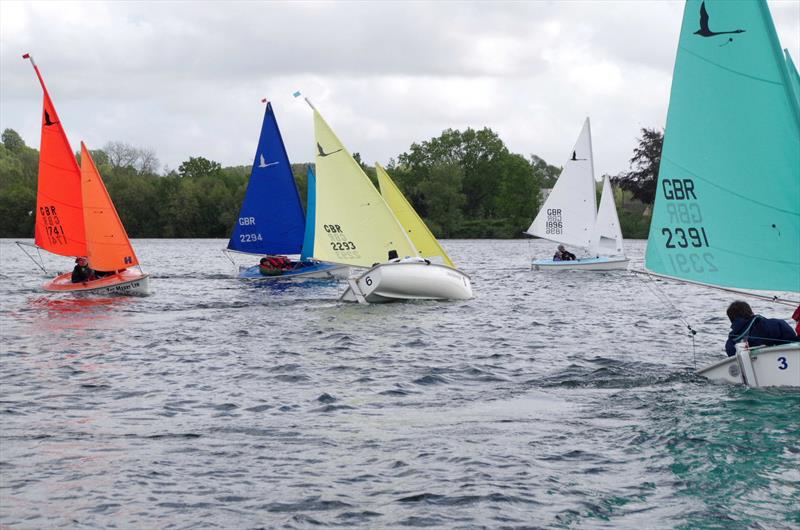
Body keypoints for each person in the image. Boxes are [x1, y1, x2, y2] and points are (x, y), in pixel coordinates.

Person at [724, 300, 799, 357]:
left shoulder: (730, 343)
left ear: (731, 320)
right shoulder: (777, 324)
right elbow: (795, 344)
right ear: (751, 312)